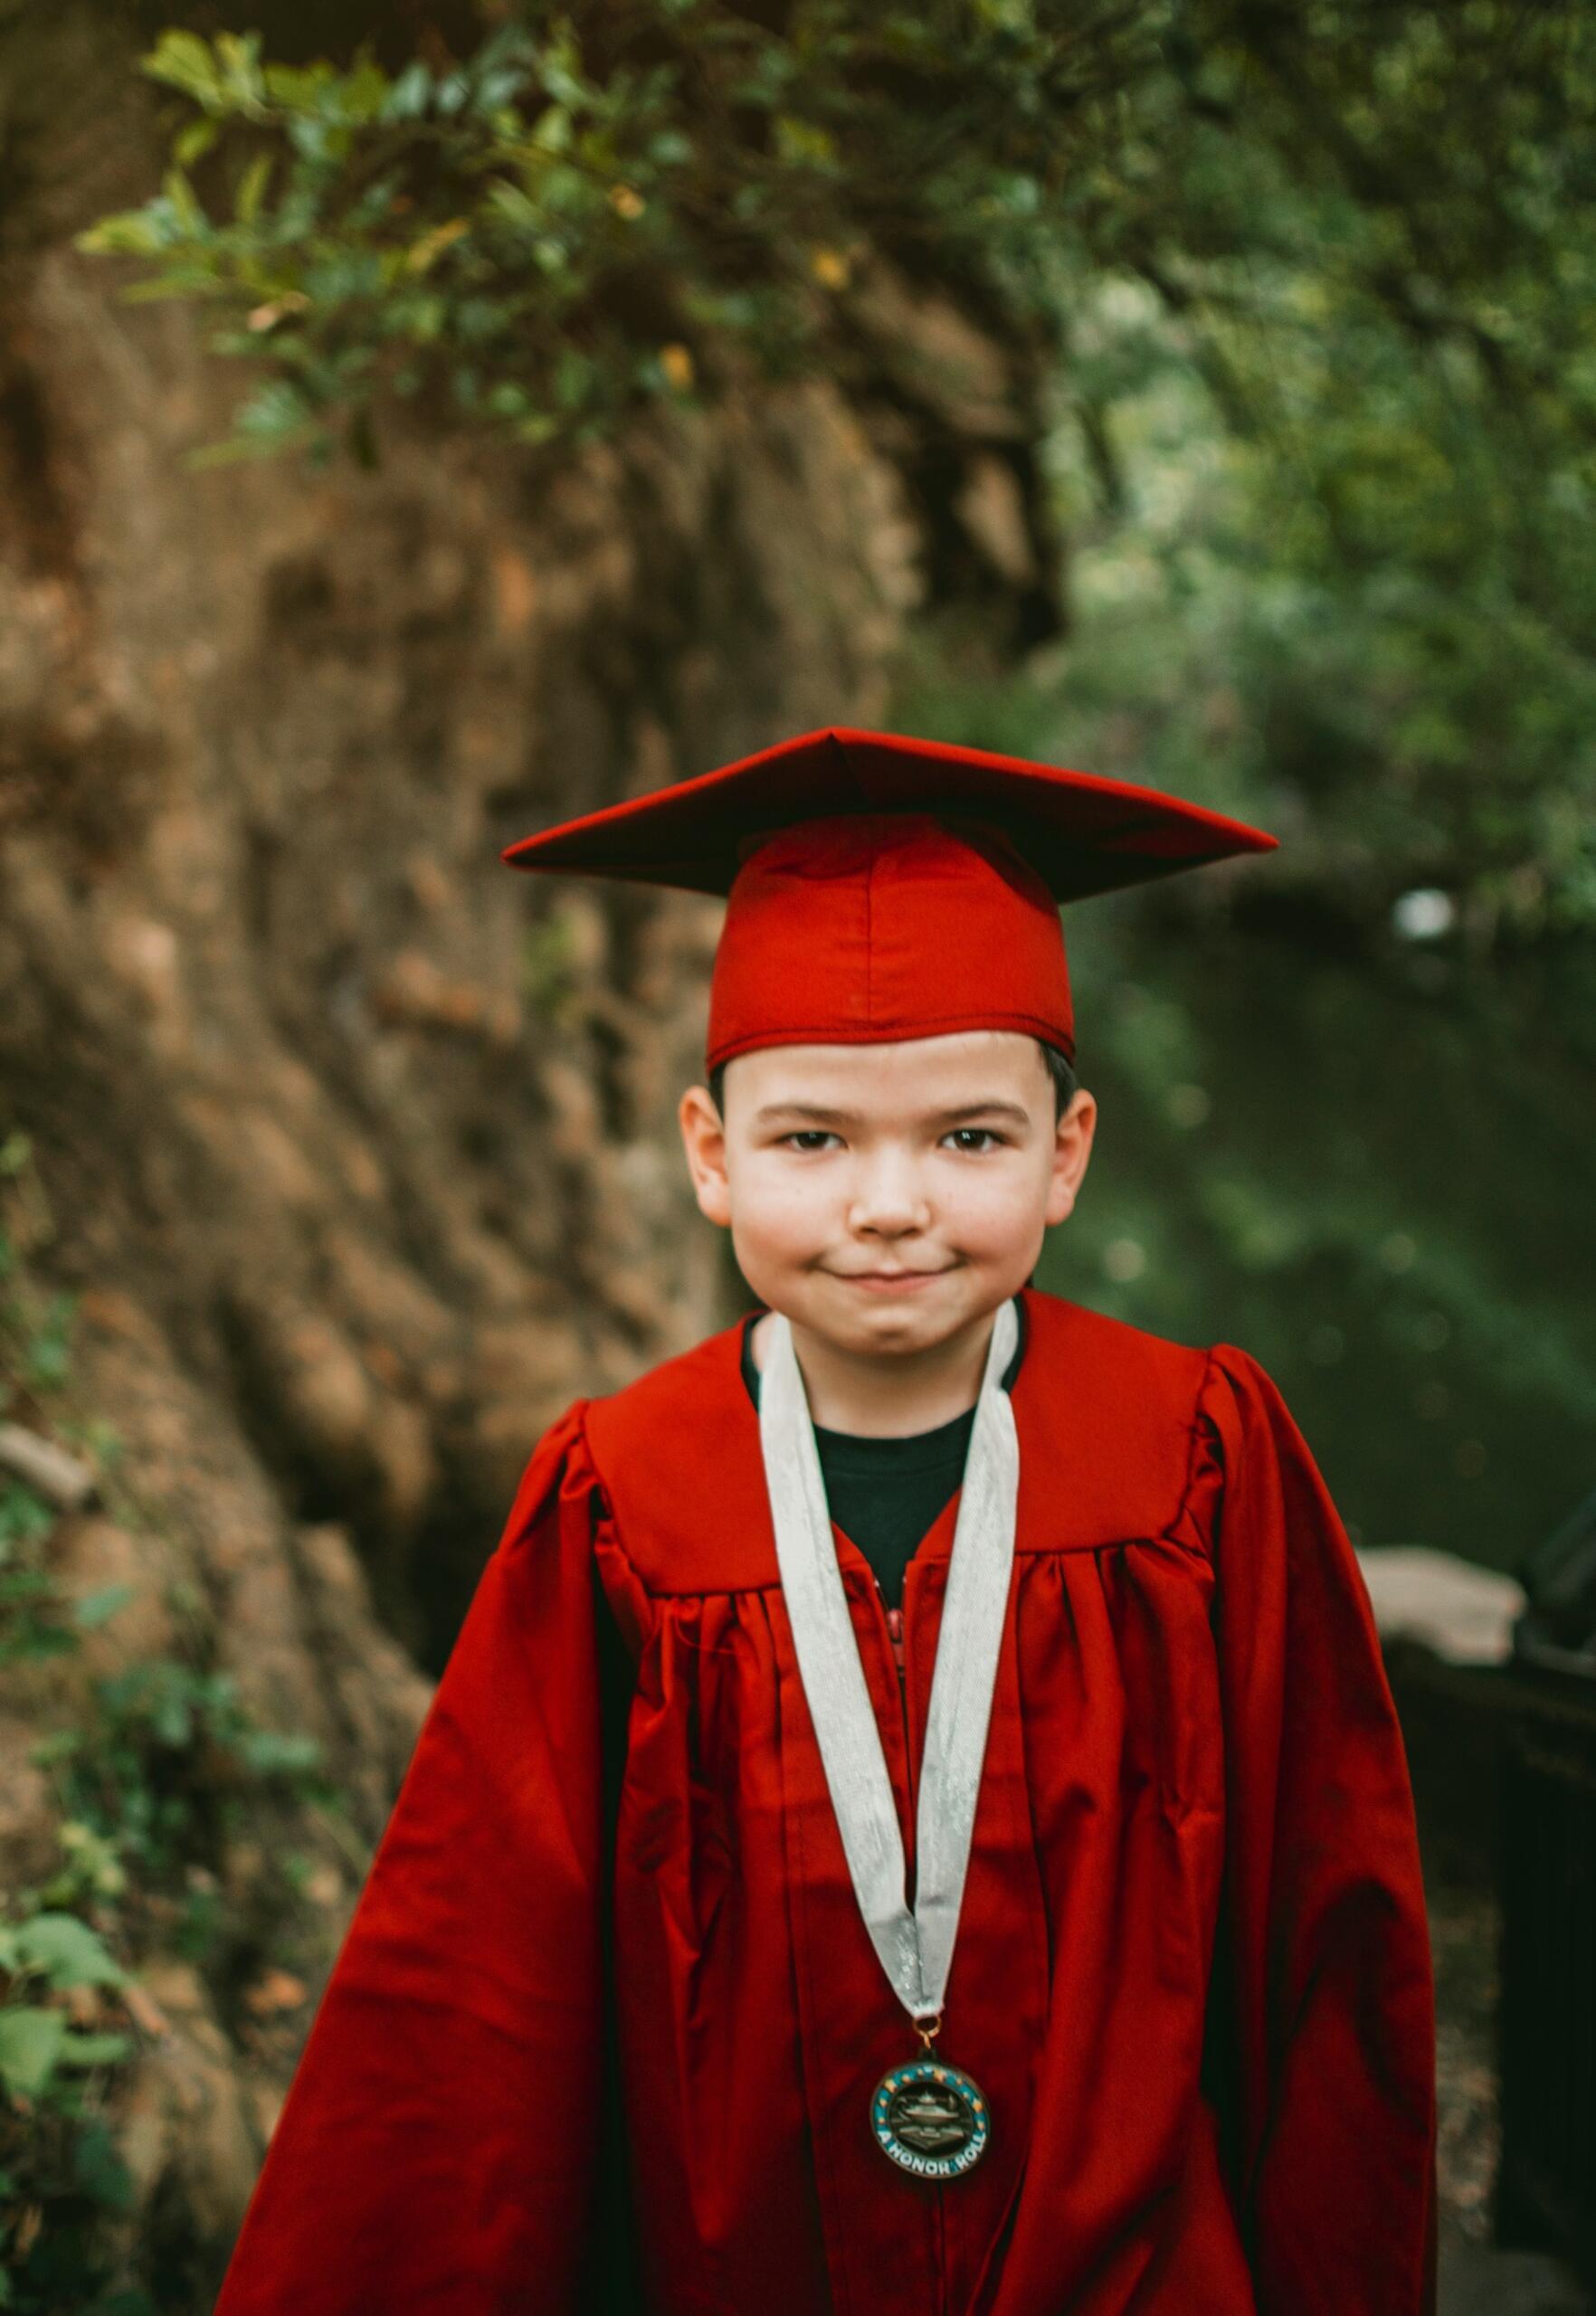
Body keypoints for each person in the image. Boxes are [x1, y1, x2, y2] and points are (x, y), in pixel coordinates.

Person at [213, 726, 1438, 2315]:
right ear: (710, 1159)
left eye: (968, 1136)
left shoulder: (1195, 1461)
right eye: (812, 1138)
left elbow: (1329, 1934)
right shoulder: (619, 1499)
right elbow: (475, 1989)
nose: (889, 1204)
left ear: (1068, 1155)